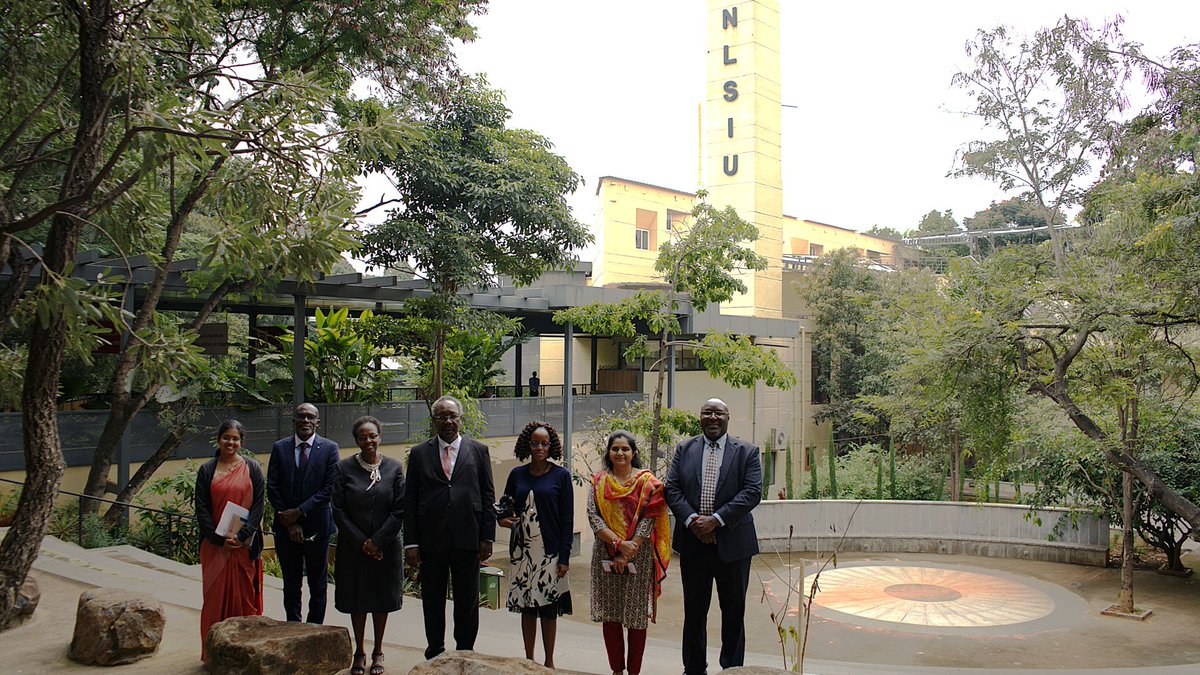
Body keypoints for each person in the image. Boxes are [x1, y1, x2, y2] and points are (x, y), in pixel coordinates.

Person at [665, 399, 762, 675]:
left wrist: (716, 521)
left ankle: (732, 670)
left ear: (728, 417)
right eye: (707, 412)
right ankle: (694, 669)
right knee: (694, 612)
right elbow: (672, 488)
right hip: (693, 544)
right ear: (700, 417)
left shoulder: (747, 452)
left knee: (733, 613)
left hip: (733, 546)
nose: (713, 417)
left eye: (719, 413)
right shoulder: (685, 449)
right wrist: (694, 522)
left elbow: (752, 492)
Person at [403, 395, 496, 659]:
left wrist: (487, 536)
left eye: (452, 416)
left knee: (467, 600)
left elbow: (488, 495)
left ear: (460, 419)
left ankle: (465, 650)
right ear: (434, 420)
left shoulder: (478, 450)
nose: (447, 421)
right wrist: (411, 542)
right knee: (432, 599)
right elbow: (410, 499)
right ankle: (435, 650)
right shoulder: (419, 453)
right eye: (441, 416)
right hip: (431, 539)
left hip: (468, 537)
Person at [588, 431, 671, 675]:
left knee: (636, 616)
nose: (620, 453)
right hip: (605, 552)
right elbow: (593, 516)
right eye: (615, 449)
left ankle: (634, 672)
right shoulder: (598, 481)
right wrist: (618, 544)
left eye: (625, 449)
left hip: (639, 555)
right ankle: (617, 670)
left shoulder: (647, 483)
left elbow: (650, 517)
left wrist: (628, 549)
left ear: (633, 453)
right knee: (610, 614)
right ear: (609, 453)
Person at [333, 416, 406, 675]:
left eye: (372, 436)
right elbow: (338, 510)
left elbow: (399, 509)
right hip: (354, 547)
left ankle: (378, 651)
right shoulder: (343, 468)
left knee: (381, 599)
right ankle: (360, 652)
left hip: (385, 548)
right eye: (363, 437)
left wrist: (377, 541)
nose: (368, 441)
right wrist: (363, 543)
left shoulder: (394, 468)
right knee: (358, 599)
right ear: (356, 440)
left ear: (380, 437)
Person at [498, 421, 573, 668]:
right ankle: (529, 661)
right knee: (527, 607)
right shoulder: (516, 474)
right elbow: (503, 509)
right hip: (522, 552)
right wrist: (505, 521)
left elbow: (567, 519)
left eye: (544, 443)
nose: (539, 448)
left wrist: (564, 558)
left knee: (548, 608)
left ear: (551, 446)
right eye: (535, 443)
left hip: (549, 552)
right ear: (527, 445)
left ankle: (549, 663)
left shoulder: (561, 476)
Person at [195, 420, 264, 663]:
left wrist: (242, 536)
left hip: (243, 547)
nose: (230, 442)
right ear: (219, 439)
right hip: (215, 547)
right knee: (214, 599)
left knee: (244, 598)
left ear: (241, 442)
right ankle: (213, 655)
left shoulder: (252, 468)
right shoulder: (206, 470)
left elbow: (258, 506)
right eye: (226, 437)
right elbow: (202, 509)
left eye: (235, 438)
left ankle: (244, 656)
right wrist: (218, 539)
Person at [267, 402, 339, 623]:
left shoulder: (330, 448)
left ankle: (315, 628)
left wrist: (299, 512)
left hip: (317, 526)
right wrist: (289, 522)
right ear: (294, 420)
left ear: (318, 421)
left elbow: (329, 488)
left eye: (310, 417)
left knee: (317, 583)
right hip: (285, 527)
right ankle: (293, 625)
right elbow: (272, 487)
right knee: (291, 582)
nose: (305, 420)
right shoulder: (280, 448)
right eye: (301, 416)